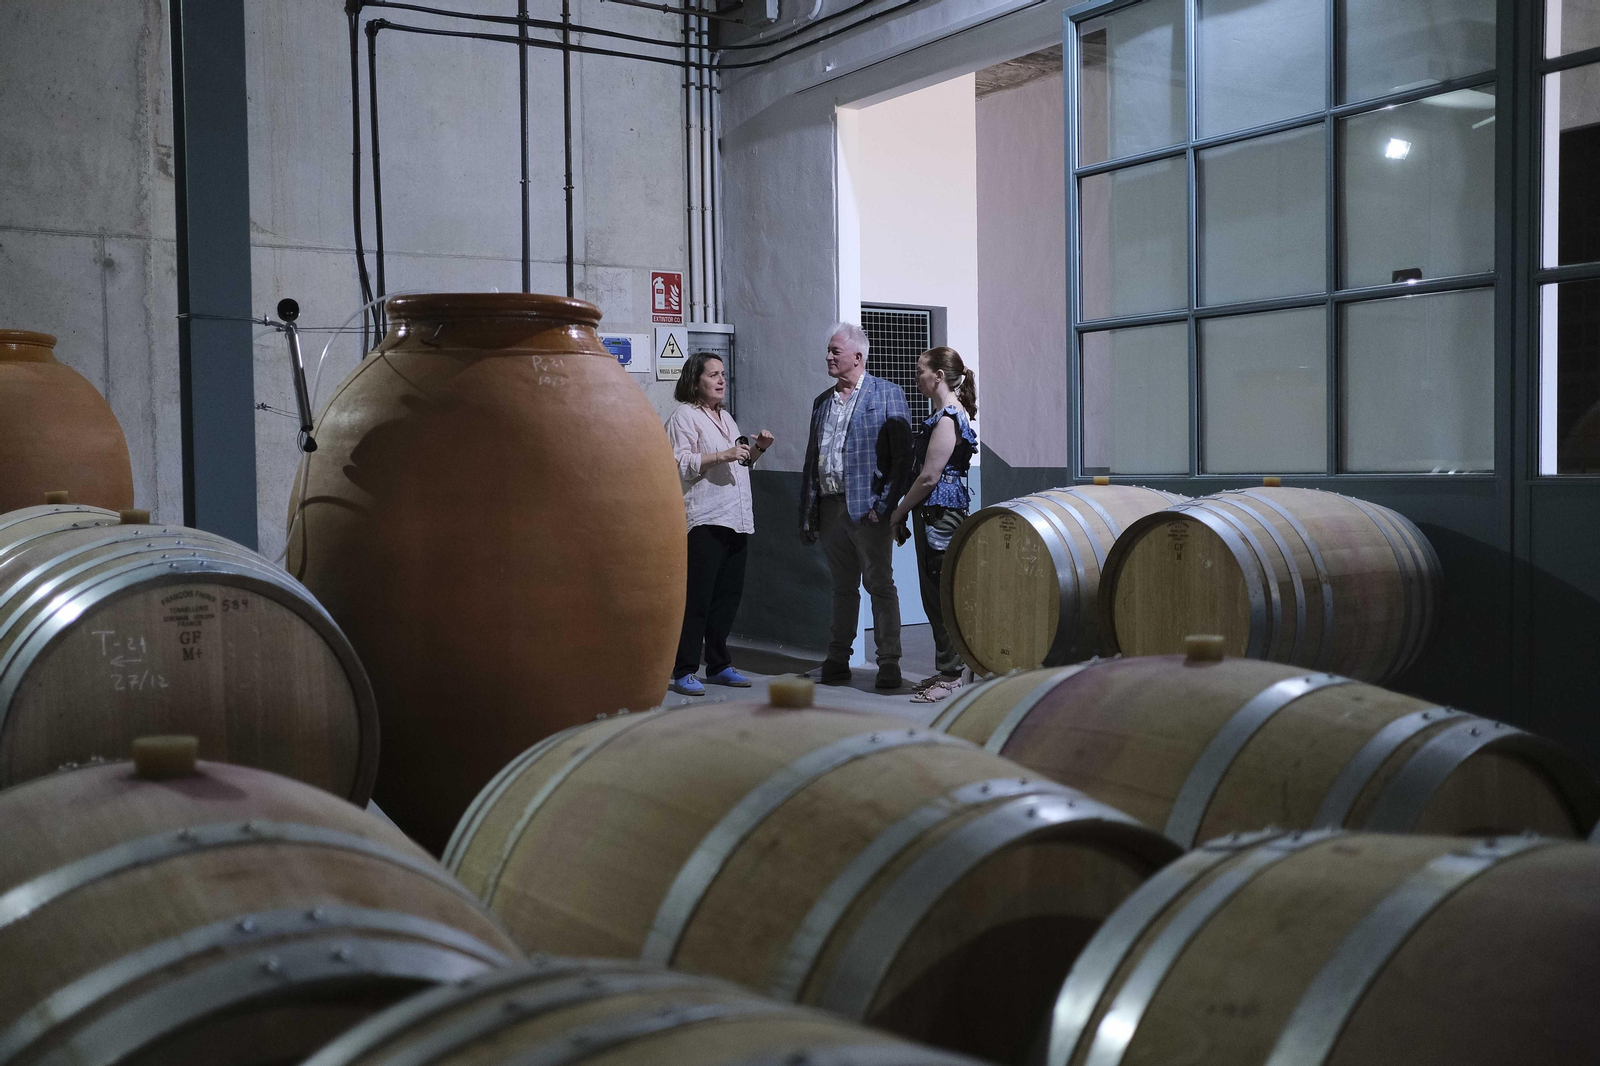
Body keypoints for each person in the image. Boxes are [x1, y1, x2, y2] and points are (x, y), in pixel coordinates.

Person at [799, 322, 913, 690]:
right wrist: (809, 511)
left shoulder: (887, 394)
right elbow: (813, 457)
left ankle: (888, 662)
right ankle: (838, 658)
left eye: (836, 351)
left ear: (858, 357)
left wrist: (885, 505)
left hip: (869, 512)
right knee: (841, 587)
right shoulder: (822, 402)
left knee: (879, 584)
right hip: (831, 507)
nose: (829, 356)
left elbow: (902, 459)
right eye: (829, 350)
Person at [666, 351, 773, 696]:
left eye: (723, 374)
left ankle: (718, 664)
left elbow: (740, 464)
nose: (721, 380)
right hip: (705, 519)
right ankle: (684, 669)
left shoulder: (726, 418)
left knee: (726, 598)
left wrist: (757, 450)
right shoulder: (684, 417)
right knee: (697, 598)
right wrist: (722, 455)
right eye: (712, 375)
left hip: (736, 518)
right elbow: (678, 463)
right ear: (695, 380)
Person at [888, 347, 978, 703]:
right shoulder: (946, 414)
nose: (917, 377)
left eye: (921, 370)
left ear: (939, 375)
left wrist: (898, 512)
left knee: (942, 595)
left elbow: (929, 477)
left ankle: (954, 674)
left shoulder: (947, 418)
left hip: (939, 514)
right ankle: (949, 669)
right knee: (936, 594)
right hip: (935, 513)